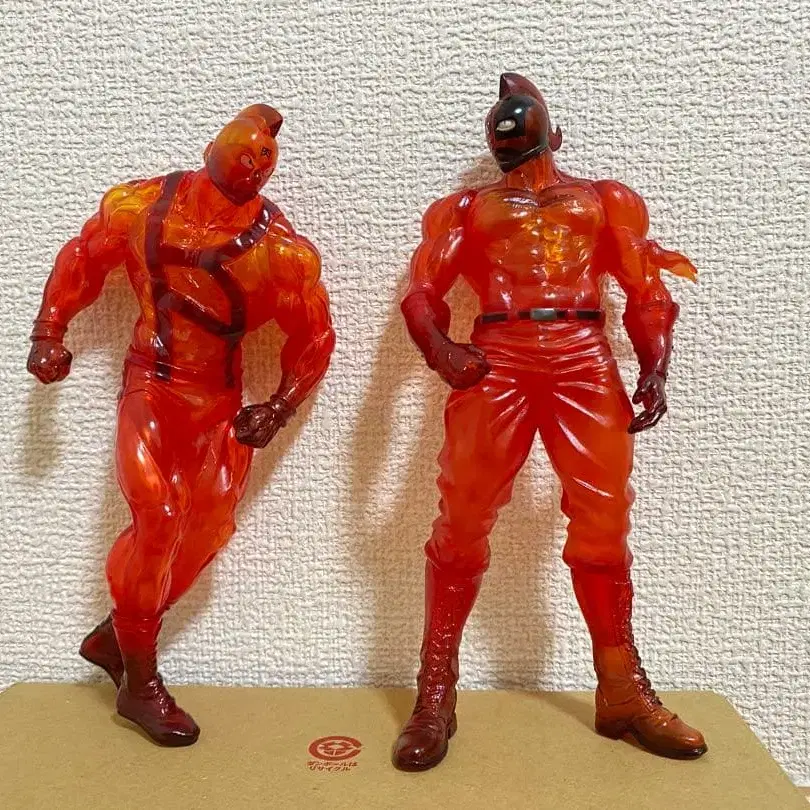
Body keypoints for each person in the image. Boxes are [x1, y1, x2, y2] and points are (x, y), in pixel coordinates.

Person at [393, 73, 705, 771]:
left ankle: (621, 690)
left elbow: (646, 288)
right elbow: (422, 293)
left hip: (581, 353)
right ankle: (435, 692)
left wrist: (655, 364)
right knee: (462, 516)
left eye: (525, 115)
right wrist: (442, 350)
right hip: (498, 353)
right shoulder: (465, 208)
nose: (512, 122)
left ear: (554, 133)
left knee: (603, 521)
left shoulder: (603, 200)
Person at [27, 104, 335, 746]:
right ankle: (140, 685)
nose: (252, 167)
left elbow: (313, 334)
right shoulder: (140, 206)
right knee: (158, 515)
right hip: (151, 384)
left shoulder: (281, 251)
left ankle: (116, 637)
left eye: (263, 160)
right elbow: (83, 258)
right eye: (243, 152)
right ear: (212, 148)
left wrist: (280, 406)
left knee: (207, 529)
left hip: (219, 400)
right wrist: (49, 330)